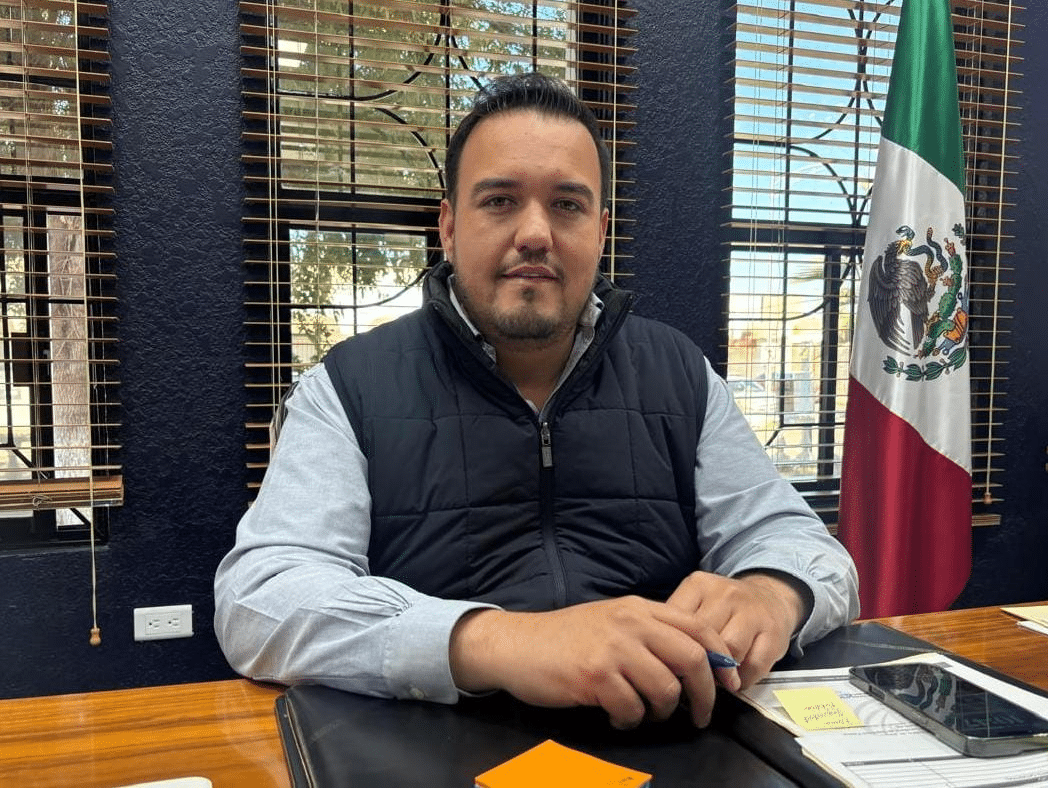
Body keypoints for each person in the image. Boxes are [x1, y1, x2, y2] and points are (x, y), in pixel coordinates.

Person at [214, 72, 859, 731]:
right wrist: (502, 642)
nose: (535, 233)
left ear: (601, 231)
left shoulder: (680, 373)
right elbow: (259, 600)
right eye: (499, 201)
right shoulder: (348, 386)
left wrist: (771, 594)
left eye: (567, 205)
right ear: (449, 226)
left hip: (673, 742)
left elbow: (804, 546)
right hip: (438, 749)